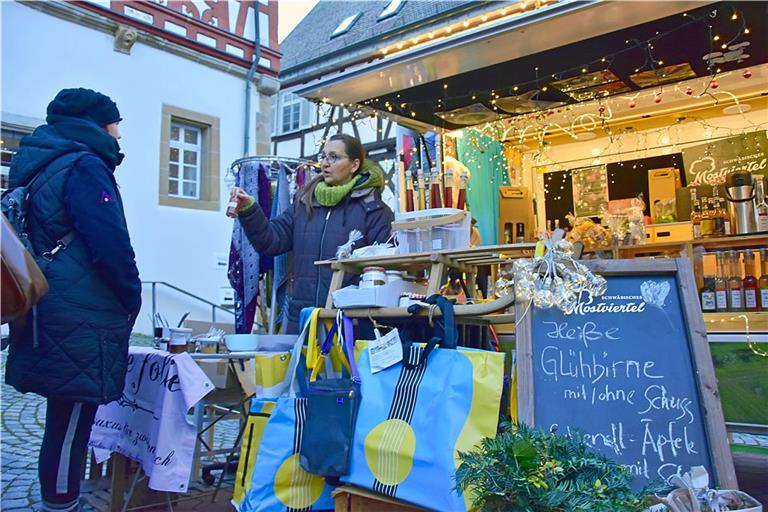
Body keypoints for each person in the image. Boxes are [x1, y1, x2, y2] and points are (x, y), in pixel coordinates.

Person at [5, 88, 141, 512]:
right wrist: (130, 293)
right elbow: (109, 242)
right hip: (81, 308)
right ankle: (62, 504)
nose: (118, 135)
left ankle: (57, 499)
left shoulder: (38, 163)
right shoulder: (84, 165)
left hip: (47, 303)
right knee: (73, 419)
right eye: (115, 124)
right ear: (97, 124)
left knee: (63, 416)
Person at [233, 133, 393, 333]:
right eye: (323, 156)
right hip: (302, 320)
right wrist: (250, 209)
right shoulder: (305, 203)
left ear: (354, 165)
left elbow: (386, 272)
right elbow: (270, 240)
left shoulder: (374, 210)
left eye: (333, 157)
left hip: (350, 323)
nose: (325, 163)